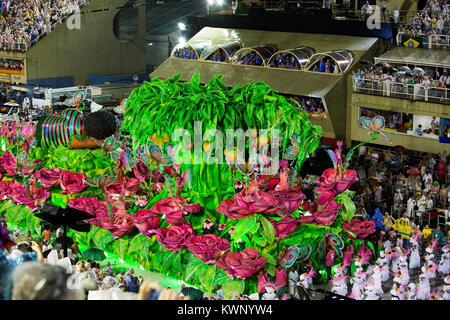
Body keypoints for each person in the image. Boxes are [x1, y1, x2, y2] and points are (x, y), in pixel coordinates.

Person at [35, 109, 117, 149]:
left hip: (42, 121)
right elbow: (75, 144)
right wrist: (99, 143)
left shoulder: (76, 114)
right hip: (41, 139)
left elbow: (63, 113)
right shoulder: (78, 135)